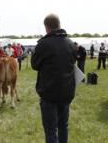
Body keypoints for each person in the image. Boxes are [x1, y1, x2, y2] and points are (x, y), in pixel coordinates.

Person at [31, 14, 77, 143]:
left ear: (47, 27)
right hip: (66, 93)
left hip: (49, 94)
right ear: (59, 25)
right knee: (63, 126)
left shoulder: (43, 44)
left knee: (51, 130)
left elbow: (34, 65)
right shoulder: (70, 43)